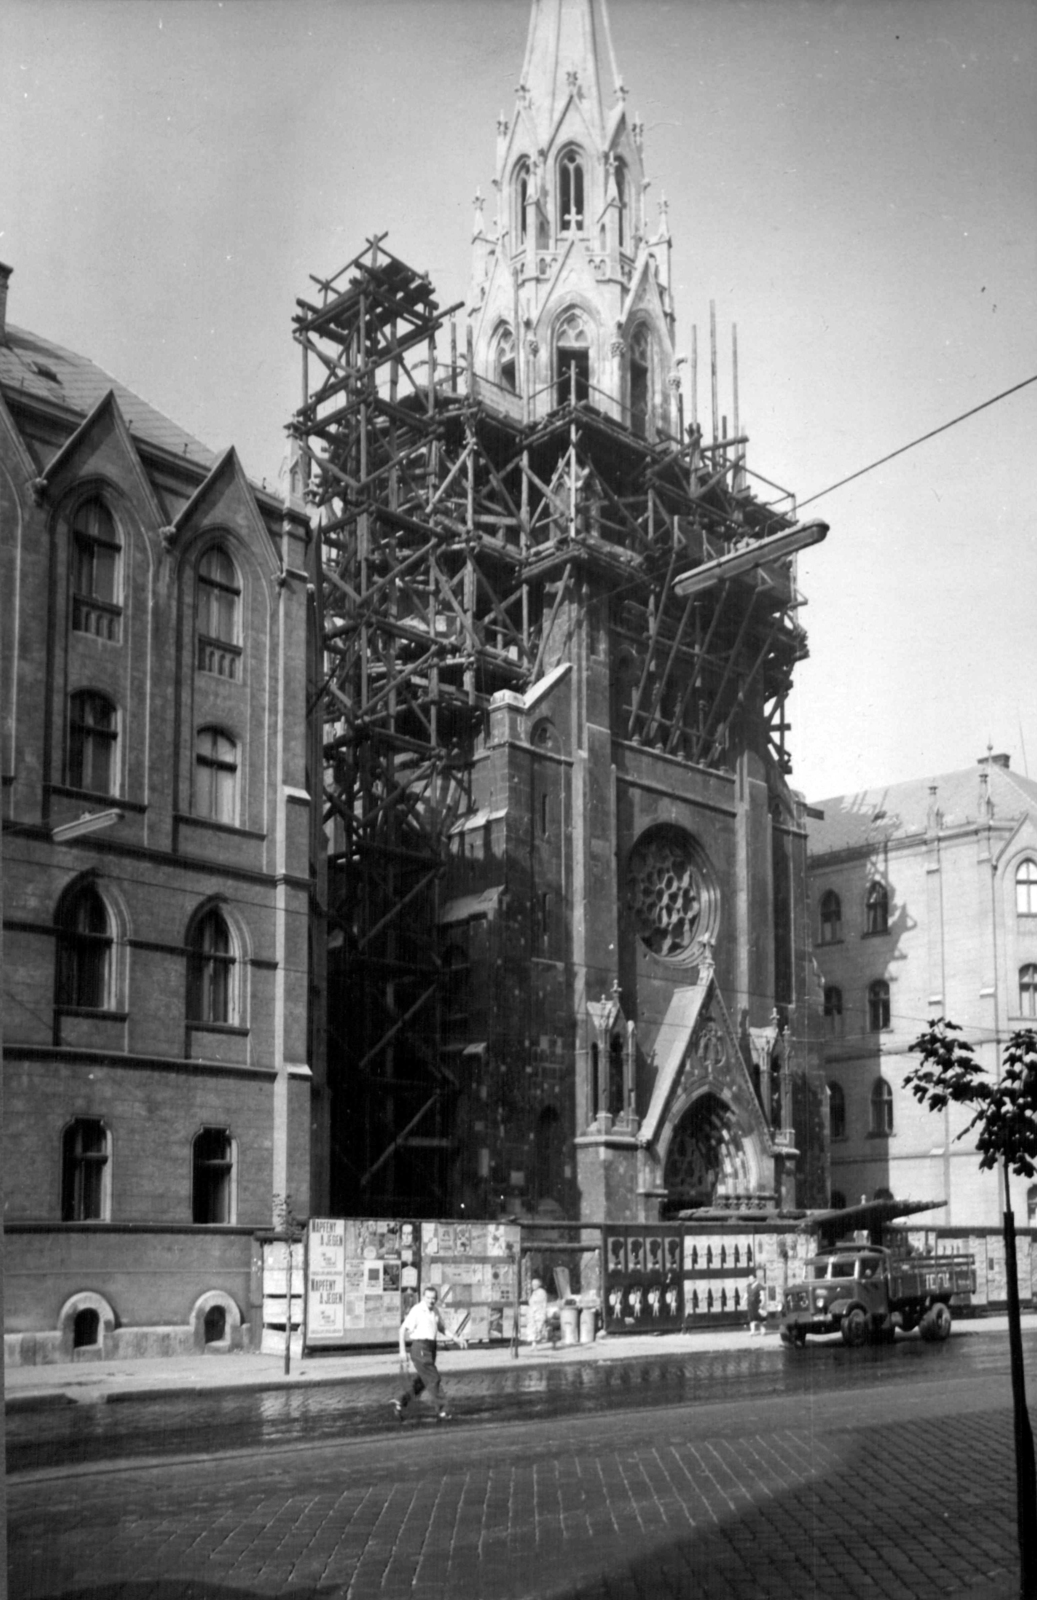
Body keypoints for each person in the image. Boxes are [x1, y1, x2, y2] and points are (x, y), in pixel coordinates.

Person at [394, 1284, 465, 1422]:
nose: (430, 1301)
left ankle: (401, 1401)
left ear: (436, 1299)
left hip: (431, 1348)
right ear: (423, 1297)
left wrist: (456, 1338)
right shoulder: (417, 1310)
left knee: (422, 1381)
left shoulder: (435, 1311)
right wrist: (402, 1351)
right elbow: (402, 1330)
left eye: (433, 1298)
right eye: (428, 1298)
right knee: (433, 1378)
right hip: (420, 1348)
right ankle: (443, 1410)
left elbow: (442, 1328)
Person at [528, 1276, 549, 1346]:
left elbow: (542, 1303)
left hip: (539, 1312)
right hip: (533, 1312)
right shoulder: (534, 1293)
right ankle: (534, 1343)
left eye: (535, 1284)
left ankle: (536, 1341)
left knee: (538, 1327)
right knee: (533, 1327)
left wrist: (544, 1312)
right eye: (532, 1284)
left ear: (538, 1285)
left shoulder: (542, 1292)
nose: (533, 1286)